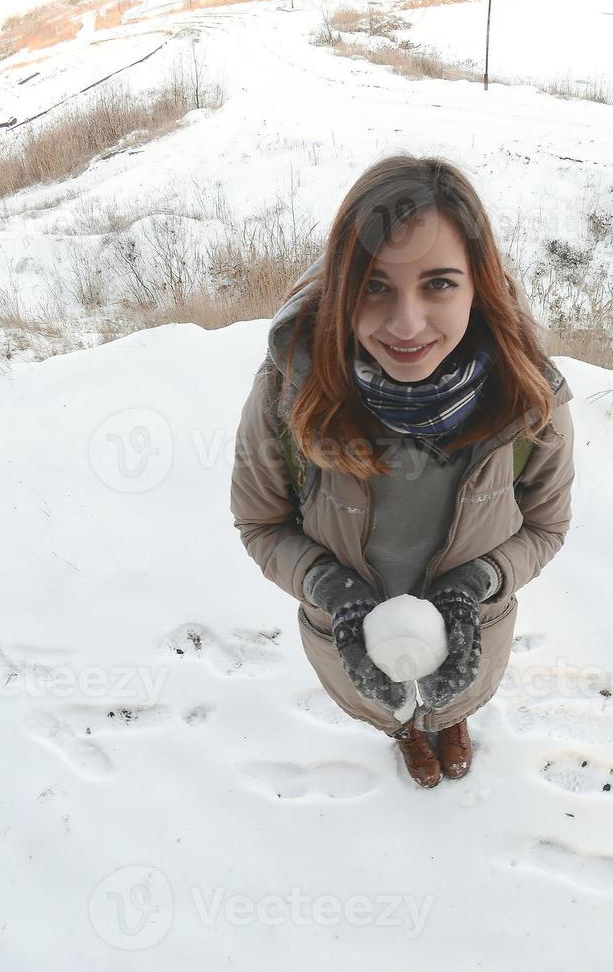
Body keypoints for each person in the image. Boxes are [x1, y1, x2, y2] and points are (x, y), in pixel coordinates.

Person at [229, 154, 576, 788]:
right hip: (345, 636)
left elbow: (546, 527)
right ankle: (405, 730)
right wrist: (328, 589)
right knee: (387, 694)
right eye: (375, 285)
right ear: (342, 288)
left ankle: (448, 720)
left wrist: (481, 583)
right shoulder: (293, 391)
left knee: (448, 688)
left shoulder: (528, 401)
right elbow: (260, 523)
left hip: (480, 629)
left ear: (479, 284)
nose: (406, 324)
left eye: (439, 283)